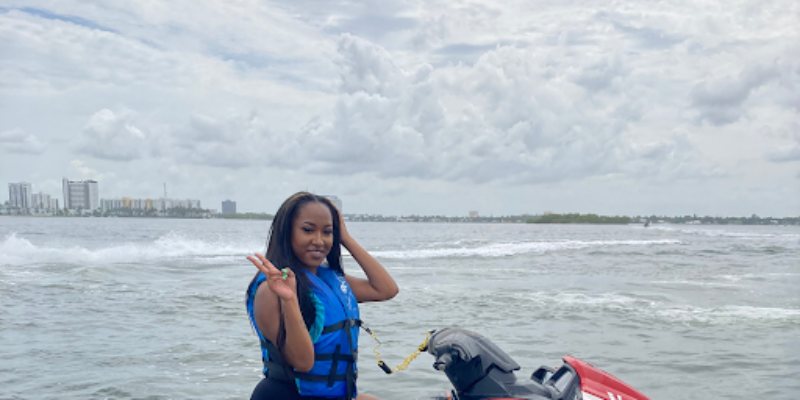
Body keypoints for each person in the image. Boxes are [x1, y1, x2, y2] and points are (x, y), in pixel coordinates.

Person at [246, 192, 399, 400]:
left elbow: (386, 289)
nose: (319, 240)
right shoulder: (270, 291)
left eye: (327, 232)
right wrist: (289, 299)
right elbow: (303, 362)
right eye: (308, 230)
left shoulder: (329, 280)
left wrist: (345, 238)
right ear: (286, 232)